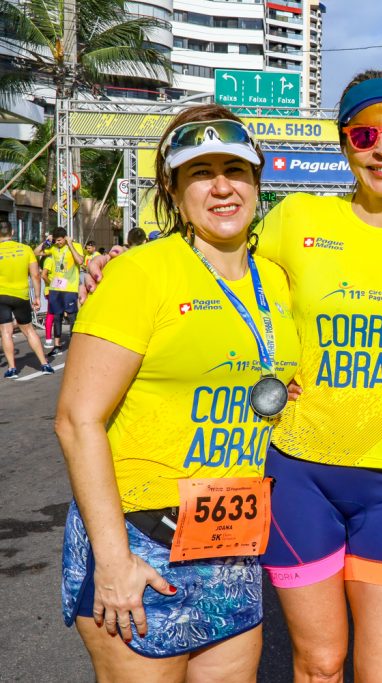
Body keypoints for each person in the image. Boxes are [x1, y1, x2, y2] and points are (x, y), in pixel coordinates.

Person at [55, 104, 299, 680]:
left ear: (257, 182)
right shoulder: (143, 273)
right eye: (200, 172)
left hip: (232, 547)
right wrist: (113, 559)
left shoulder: (277, 280)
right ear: (172, 187)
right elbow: (76, 420)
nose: (221, 187)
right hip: (140, 541)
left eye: (235, 170)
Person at [254, 71, 382, 683]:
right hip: (299, 472)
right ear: (344, 142)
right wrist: (268, 375)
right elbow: (231, 282)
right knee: (319, 665)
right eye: (366, 133)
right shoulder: (295, 219)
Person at [0, 221, 54, 377]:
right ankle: (44, 364)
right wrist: (37, 297)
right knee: (29, 330)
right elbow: (35, 275)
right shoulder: (25, 249)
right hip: (21, 296)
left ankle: (12, 369)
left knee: (5, 332)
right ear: (12, 232)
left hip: (2, 296)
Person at [34, 226, 84, 356]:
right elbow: (36, 252)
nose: (58, 243)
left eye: (60, 240)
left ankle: (74, 344)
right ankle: (57, 345)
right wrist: (47, 241)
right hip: (56, 288)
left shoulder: (75, 246)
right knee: (57, 316)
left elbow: (80, 260)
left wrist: (70, 244)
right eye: (56, 240)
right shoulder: (53, 247)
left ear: (65, 238)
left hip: (70, 288)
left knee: (72, 316)